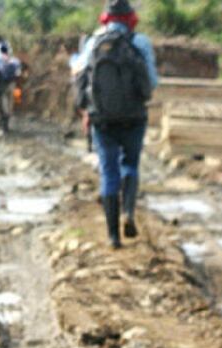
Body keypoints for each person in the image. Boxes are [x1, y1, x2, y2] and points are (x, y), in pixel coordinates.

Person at [75, 0, 157, 248]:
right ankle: (128, 212)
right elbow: (151, 83)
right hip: (134, 118)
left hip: (102, 119)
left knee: (109, 172)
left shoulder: (93, 42)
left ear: (105, 18)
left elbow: (80, 79)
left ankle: (113, 237)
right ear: (131, 18)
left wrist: (85, 109)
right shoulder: (139, 42)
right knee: (130, 164)